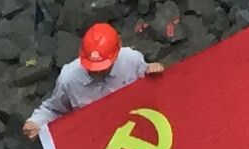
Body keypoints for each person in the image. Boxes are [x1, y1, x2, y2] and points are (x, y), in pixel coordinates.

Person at [23, 21, 162, 140]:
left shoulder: (131, 60)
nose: (98, 71)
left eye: (103, 67)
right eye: (92, 67)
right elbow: (54, 109)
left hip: (134, 125)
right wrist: (36, 122)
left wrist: (153, 70)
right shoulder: (69, 79)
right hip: (95, 138)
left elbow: (150, 85)